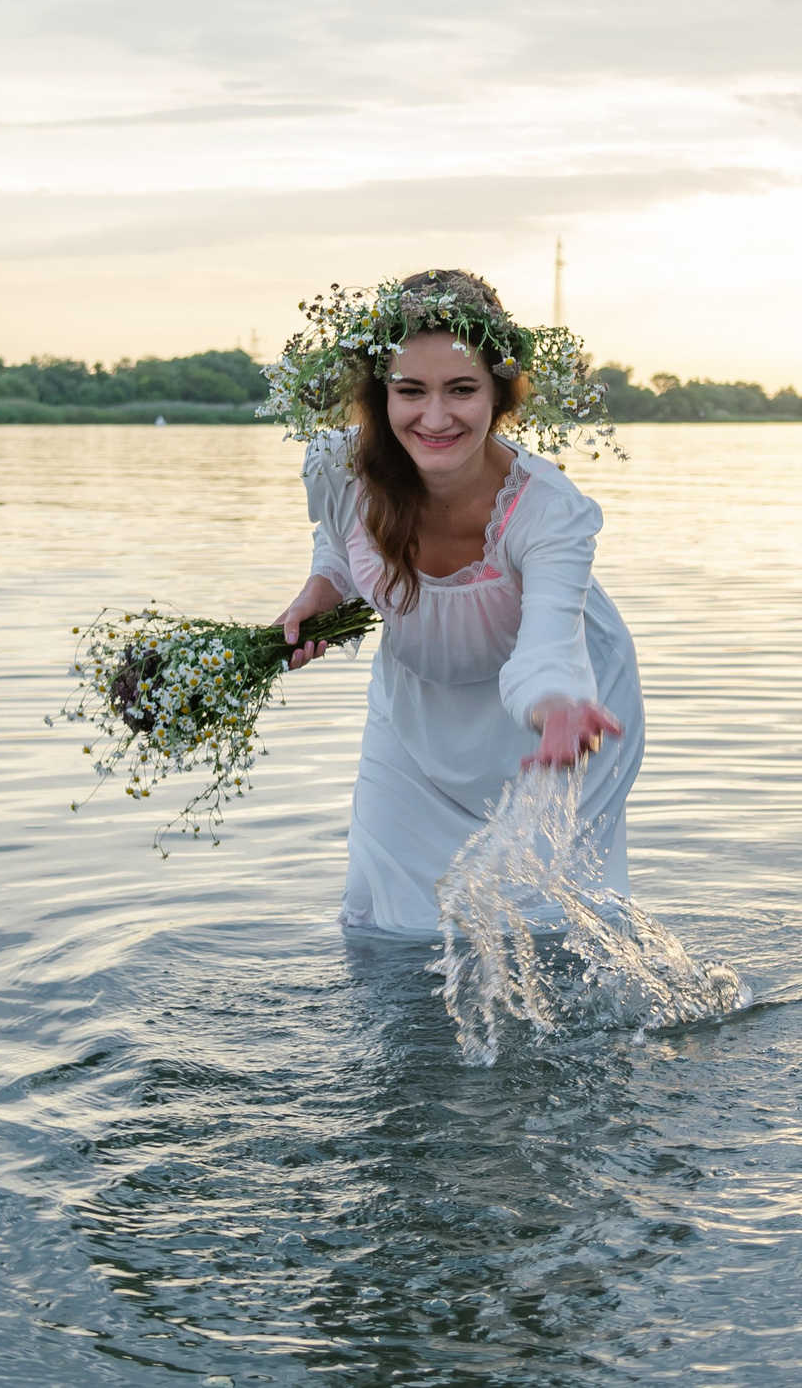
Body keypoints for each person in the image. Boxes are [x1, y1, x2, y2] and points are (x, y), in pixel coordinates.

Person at [268, 269, 641, 935]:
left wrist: (556, 706)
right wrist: (321, 592)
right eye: (410, 391)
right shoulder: (335, 467)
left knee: (548, 931)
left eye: (461, 390)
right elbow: (340, 546)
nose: (434, 418)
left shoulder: (551, 512)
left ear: (499, 392)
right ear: (380, 391)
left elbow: (547, 650)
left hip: (560, 721)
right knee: (384, 924)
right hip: (415, 710)